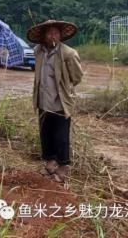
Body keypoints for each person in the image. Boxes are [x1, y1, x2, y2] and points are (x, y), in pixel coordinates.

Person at [27, 20, 83, 183]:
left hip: (60, 103)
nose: (53, 36)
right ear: (44, 36)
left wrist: (65, 87)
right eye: (50, 33)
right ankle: (50, 163)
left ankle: (62, 168)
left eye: (56, 33)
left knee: (61, 137)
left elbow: (77, 77)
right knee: (46, 134)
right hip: (43, 102)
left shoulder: (68, 54)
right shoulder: (39, 51)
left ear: (60, 35)